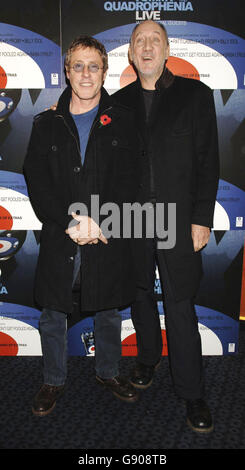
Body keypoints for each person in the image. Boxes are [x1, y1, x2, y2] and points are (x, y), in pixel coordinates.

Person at [23, 35, 142, 416]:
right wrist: (67, 221)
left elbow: (133, 180)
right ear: (67, 72)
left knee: (108, 309)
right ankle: (53, 380)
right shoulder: (46, 123)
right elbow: (36, 180)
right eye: (78, 65)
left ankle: (107, 372)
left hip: (106, 233)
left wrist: (100, 221)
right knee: (53, 313)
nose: (86, 73)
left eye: (94, 66)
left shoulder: (125, 120)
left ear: (104, 72)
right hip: (62, 233)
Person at [113, 20, 219, 433]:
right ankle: (148, 359)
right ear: (130, 53)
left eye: (155, 39)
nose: (147, 46)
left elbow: (209, 161)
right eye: (139, 40)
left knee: (179, 304)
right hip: (132, 221)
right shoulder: (116, 103)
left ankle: (193, 393)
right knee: (140, 295)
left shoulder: (196, 96)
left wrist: (201, 218)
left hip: (179, 220)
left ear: (168, 48)